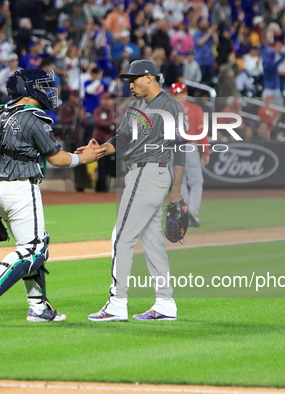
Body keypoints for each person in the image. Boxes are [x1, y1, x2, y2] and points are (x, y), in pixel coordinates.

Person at [0, 69, 106, 325]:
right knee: (35, 249)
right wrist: (83, 158)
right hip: (21, 188)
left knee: (32, 245)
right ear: (28, 90)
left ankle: (38, 307)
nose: (49, 90)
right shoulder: (34, 118)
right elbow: (57, 158)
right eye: (42, 85)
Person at [84, 59, 186, 322]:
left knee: (121, 236)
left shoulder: (170, 106)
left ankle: (117, 302)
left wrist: (176, 191)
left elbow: (180, 147)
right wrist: (99, 150)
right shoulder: (135, 107)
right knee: (152, 241)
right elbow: (122, 138)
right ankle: (165, 303)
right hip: (141, 172)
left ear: (150, 78)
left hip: (150, 171)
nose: (130, 83)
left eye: (134, 78)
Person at [169, 82, 208, 227]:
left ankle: (185, 213)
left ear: (172, 95)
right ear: (186, 93)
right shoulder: (195, 108)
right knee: (196, 181)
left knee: (180, 184)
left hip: (173, 148)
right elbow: (202, 132)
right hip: (189, 146)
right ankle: (194, 211)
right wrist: (206, 151)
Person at [92, 92, 117, 192]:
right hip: (100, 141)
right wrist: (112, 122)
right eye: (105, 99)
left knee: (110, 164)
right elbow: (99, 122)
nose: (108, 102)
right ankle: (100, 186)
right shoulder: (98, 111)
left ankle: (106, 185)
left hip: (112, 142)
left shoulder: (115, 111)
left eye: (109, 99)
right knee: (101, 165)